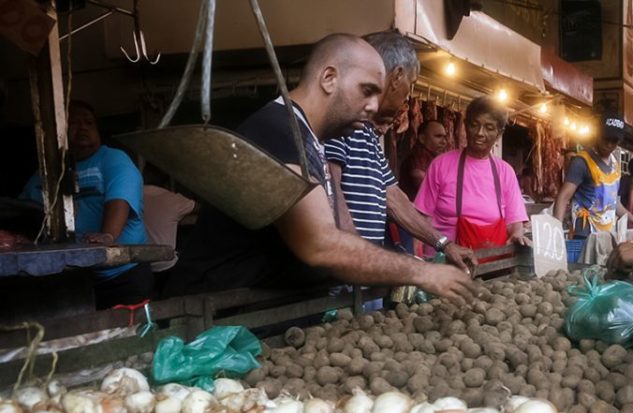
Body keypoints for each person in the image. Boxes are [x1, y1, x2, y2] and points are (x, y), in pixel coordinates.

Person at [166, 34, 476, 304]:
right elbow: (321, 245)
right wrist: (421, 271)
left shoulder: (308, 138)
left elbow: (386, 199)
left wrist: (436, 246)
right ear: (329, 78)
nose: (372, 106)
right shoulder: (279, 132)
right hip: (216, 321)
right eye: (366, 90)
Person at [325, 32, 474, 271]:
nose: (407, 95)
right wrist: (356, 257)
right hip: (342, 281)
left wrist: (443, 243)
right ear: (397, 77)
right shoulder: (341, 123)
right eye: (410, 85)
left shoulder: (366, 133)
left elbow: (394, 200)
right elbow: (331, 194)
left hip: (361, 275)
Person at [21, 100, 151, 310]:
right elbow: (24, 207)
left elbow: (120, 200)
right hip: (73, 278)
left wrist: (108, 235)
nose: (82, 127)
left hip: (121, 274)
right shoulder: (46, 172)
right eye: (73, 122)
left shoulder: (113, 159)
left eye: (89, 123)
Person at [414, 96, 530, 252]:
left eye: (489, 127)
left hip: (491, 261)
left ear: (499, 133)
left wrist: (517, 234)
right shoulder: (441, 165)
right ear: (466, 126)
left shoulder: (505, 172)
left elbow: (514, 221)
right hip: (443, 259)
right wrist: (418, 257)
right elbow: (422, 217)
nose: (480, 133)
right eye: (474, 125)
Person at [553, 115, 633, 237]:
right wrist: (555, 234)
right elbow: (563, 197)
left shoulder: (615, 165)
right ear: (597, 135)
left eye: (614, 140)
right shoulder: (581, 162)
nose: (609, 144)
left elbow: (614, 203)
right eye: (606, 138)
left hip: (607, 234)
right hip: (584, 234)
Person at [142, 166, 196, 296]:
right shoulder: (173, 199)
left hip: (139, 267)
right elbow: (198, 207)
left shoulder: (131, 195)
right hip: (166, 267)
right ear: (167, 181)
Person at [399, 120, 448, 200]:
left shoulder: (434, 159)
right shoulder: (416, 158)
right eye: (438, 136)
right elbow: (425, 185)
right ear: (422, 138)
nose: (444, 142)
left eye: (444, 137)